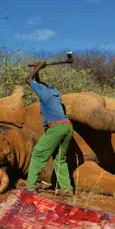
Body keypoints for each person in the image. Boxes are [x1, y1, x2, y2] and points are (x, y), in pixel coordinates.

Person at [25, 61, 75, 196]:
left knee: (38, 153)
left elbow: (28, 80)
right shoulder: (54, 94)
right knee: (60, 158)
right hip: (68, 127)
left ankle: (30, 186)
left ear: (41, 90)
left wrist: (39, 67)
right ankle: (67, 189)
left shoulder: (44, 94)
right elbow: (39, 84)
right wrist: (38, 70)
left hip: (56, 127)